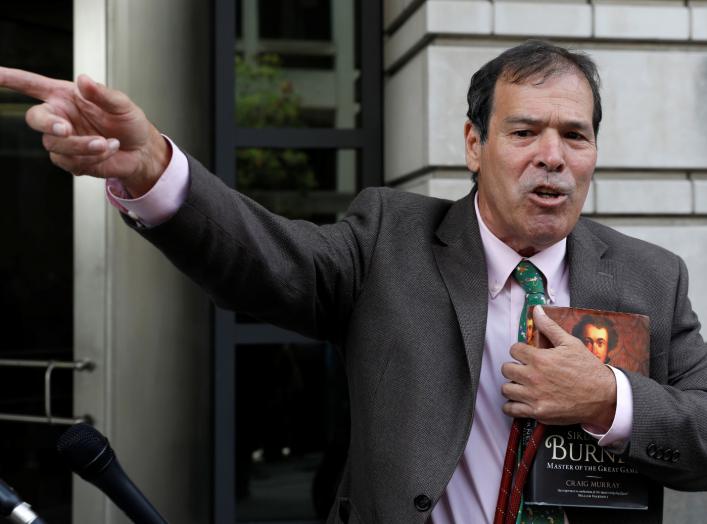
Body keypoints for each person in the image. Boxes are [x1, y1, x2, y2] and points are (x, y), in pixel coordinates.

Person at [1, 40, 706, 524]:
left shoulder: (651, 277)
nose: (550, 157)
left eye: (573, 136)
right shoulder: (389, 240)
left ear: (592, 155)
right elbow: (266, 259)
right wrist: (152, 167)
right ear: (472, 145)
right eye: (524, 132)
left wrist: (607, 397)